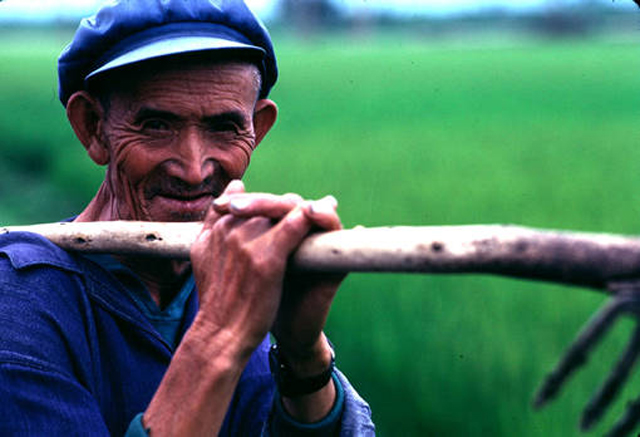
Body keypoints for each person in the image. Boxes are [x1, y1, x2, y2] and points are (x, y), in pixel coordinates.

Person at [0, 0, 375, 435]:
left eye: (224, 128)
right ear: (93, 127)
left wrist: (303, 351)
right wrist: (219, 337)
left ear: (258, 129)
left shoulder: (234, 280)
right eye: (157, 125)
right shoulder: (21, 308)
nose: (194, 169)